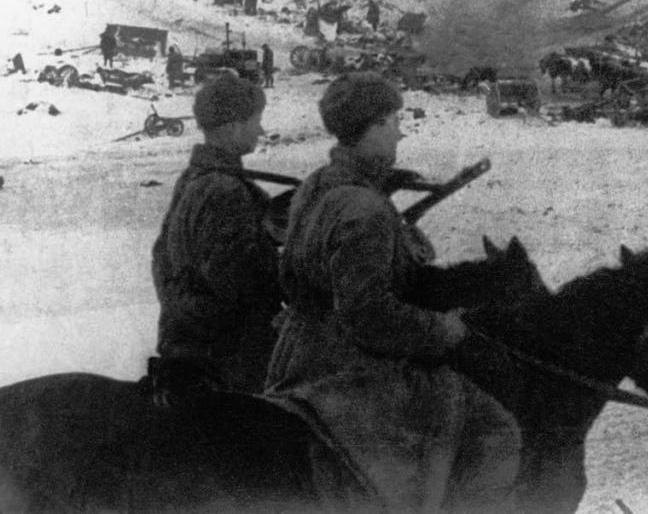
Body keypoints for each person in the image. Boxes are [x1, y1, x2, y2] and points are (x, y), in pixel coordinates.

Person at [267, 73, 520, 511]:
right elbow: (369, 315)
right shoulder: (363, 209)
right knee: (494, 430)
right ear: (371, 126)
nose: (400, 131)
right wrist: (448, 330)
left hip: (297, 354)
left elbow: (299, 273)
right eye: (391, 121)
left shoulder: (317, 186)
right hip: (350, 371)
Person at [149, 73, 280, 404]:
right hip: (229, 367)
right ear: (234, 126)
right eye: (255, 121)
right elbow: (238, 288)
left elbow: (162, 259)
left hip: (186, 350)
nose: (260, 131)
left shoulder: (192, 180)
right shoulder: (226, 191)